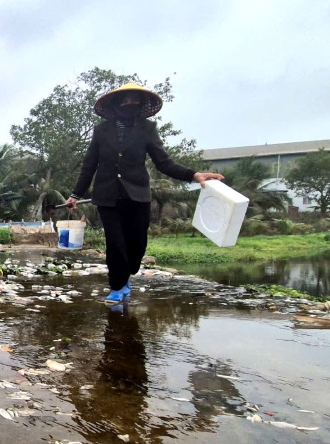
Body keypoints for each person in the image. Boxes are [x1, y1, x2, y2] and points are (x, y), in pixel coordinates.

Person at [65, 82, 224, 304]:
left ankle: (126, 275)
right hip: (108, 196)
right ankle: (117, 286)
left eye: (135, 100)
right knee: (115, 243)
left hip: (137, 196)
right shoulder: (102, 130)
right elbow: (89, 165)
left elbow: (163, 162)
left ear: (141, 105)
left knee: (137, 245)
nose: (131, 104)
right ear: (117, 103)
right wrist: (76, 194)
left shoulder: (147, 129)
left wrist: (193, 175)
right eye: (126, 100)